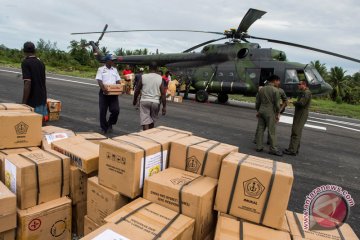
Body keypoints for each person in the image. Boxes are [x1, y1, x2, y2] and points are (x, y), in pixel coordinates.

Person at [255, 75, 283, 156]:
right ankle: (273, 149)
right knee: (272, 131)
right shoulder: (275, 90)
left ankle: (259, 147)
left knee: (260, 129)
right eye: (278, 81)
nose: (279, 83)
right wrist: (278, 113)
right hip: (270, 112)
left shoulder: (262, 89)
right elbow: (277, 105)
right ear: (275, 81)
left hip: (261, 111)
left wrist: (258, 111)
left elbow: (257, 102)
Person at [21, 41, 48, 124]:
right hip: (42, 96)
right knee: (41, 122)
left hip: (32, 98)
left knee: (30, 124)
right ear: (34, 50)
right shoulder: (41, 63)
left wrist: (24, 103)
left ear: (24, 51)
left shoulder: (25, 62)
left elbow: (27, 83)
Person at [133, 64, 166, 130]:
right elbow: (163, 93)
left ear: (148, 68)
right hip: (155, 102)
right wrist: (164, 107)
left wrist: (135, 100)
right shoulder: (160, 78)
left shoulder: (144, 76)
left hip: (145, 101)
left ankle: (146, 136)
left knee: (145, 121)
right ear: (157, 69)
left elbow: (137, 89)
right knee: (152, 120)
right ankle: (150, 134)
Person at [283, 80, 312, 156]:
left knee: (296, 132)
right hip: (300, 113)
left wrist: (293, 102)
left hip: (301, 114)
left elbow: (302, 103)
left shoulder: (306, 93)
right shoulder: (304, 92)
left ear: (304, 85)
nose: (298, 86)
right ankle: (294, 149)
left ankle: (292, 150)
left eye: (299, 84)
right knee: (297, 132)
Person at [96, 54, 121, 134]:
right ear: (107, 61)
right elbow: (99, 80)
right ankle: (103, 128)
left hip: (113, 93)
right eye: (112, 60)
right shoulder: (101, 69)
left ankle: (110, 123)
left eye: (114, 60)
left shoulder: (115, 70)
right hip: (104, 93)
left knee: (116, 110)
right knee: (103, 111)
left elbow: (118, 81)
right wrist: (104, 89)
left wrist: (119, 88)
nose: (113, 62)